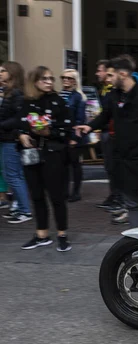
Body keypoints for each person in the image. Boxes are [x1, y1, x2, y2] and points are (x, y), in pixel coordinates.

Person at [75, 55, 138, 228]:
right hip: (122, 159)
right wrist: (89, 127)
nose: (108, 79)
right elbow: (105, 116)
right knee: (132, 204)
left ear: (122, 74)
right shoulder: (114, 95)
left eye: (110, 75)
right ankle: (137, 243)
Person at [18, 66, 72, 251]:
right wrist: (22, 135)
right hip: (31, 155)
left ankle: (62, 233)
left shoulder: (58, 101)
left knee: (56, 196)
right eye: (44, 79)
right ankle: (41, 234)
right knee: (37, 195)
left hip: (53, 154)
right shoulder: (26, 102)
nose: (49, 82)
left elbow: (67, 129)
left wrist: (49, 132)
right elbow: (19, 124)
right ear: (35, 81)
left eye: (51, 78)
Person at [0, 61, 32, 224]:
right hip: (8, 138)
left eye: (3, 71)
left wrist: (2, 125)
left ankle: (24, 210)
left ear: (12, 73)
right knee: (14, 175)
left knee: (13, 176)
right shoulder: (9, 92)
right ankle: (20, 208)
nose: (0, 73)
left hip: (10, 139)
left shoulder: (16, 94)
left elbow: (18, 117)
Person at [94, 59, 119, 211]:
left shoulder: (112, 91)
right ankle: (114, 196)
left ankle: (118, 199)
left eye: (100, 70)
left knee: (114, 167)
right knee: (109, 167)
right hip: (105, 131)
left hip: (111, 133)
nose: (98, 73)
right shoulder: (103, 89)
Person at [59, 69, 87, 203]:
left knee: (75, 165)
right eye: (63, 77)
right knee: (63, 165)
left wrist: (75, 138)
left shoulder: (78, 96)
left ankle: (76, 192)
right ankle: (64, 191)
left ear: (75, 81)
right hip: (61, 135)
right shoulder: (59, 95)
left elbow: (80, 119)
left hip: (73, 136)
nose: (65, 80)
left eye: (69, 78)